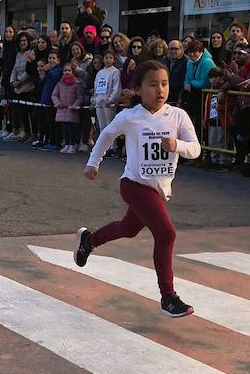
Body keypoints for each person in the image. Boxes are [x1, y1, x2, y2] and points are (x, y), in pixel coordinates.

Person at [74, 60, 202, 319]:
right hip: (133, 184)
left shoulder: (178, 116)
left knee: (128, 229)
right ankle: (168, 297)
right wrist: (92, 163)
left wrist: (176, 144)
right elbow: (106, 135)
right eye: (152, 85)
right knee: (166, 234)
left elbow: (195, 149)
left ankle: (89, 240)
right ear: (138, 89)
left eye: (164, 84)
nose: (160, 90)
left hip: (158, 189)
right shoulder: (129, 117)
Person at [52, 60, 84, 154]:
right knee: (64, 128)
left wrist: (75, 105)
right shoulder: (59, 83)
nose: (67, 72)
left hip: (72, 110)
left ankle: (73, 145)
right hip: (62, 109)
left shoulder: (77, 84)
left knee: (72, 129)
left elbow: (80, 96)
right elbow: (54, 95)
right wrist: (57, 103)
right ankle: (66, 144)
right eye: (65, 70)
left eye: (69, 70)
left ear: (72, 72)